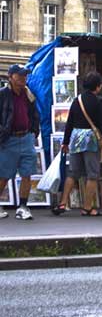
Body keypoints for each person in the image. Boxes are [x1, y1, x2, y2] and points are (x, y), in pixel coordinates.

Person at [53, 71, 102, 217]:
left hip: (75, 138)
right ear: (98, 87)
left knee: (72, 172)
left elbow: (69, 123)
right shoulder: (99, 102)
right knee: (92, 174)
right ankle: (87, 207)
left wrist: (65, 142)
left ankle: (62, 203)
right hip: (90, 140)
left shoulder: (76, 100)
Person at [0, 64, 40, 220]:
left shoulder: (28, 94)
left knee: (27, 174)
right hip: (9, 139)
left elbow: (34, 114)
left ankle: (23, 206)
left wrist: (34, 132)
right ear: (11, 77)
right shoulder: (3, 94)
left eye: (25, 75)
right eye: (20, 75)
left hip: (26, 138)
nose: (24, 77)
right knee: (4, 175)